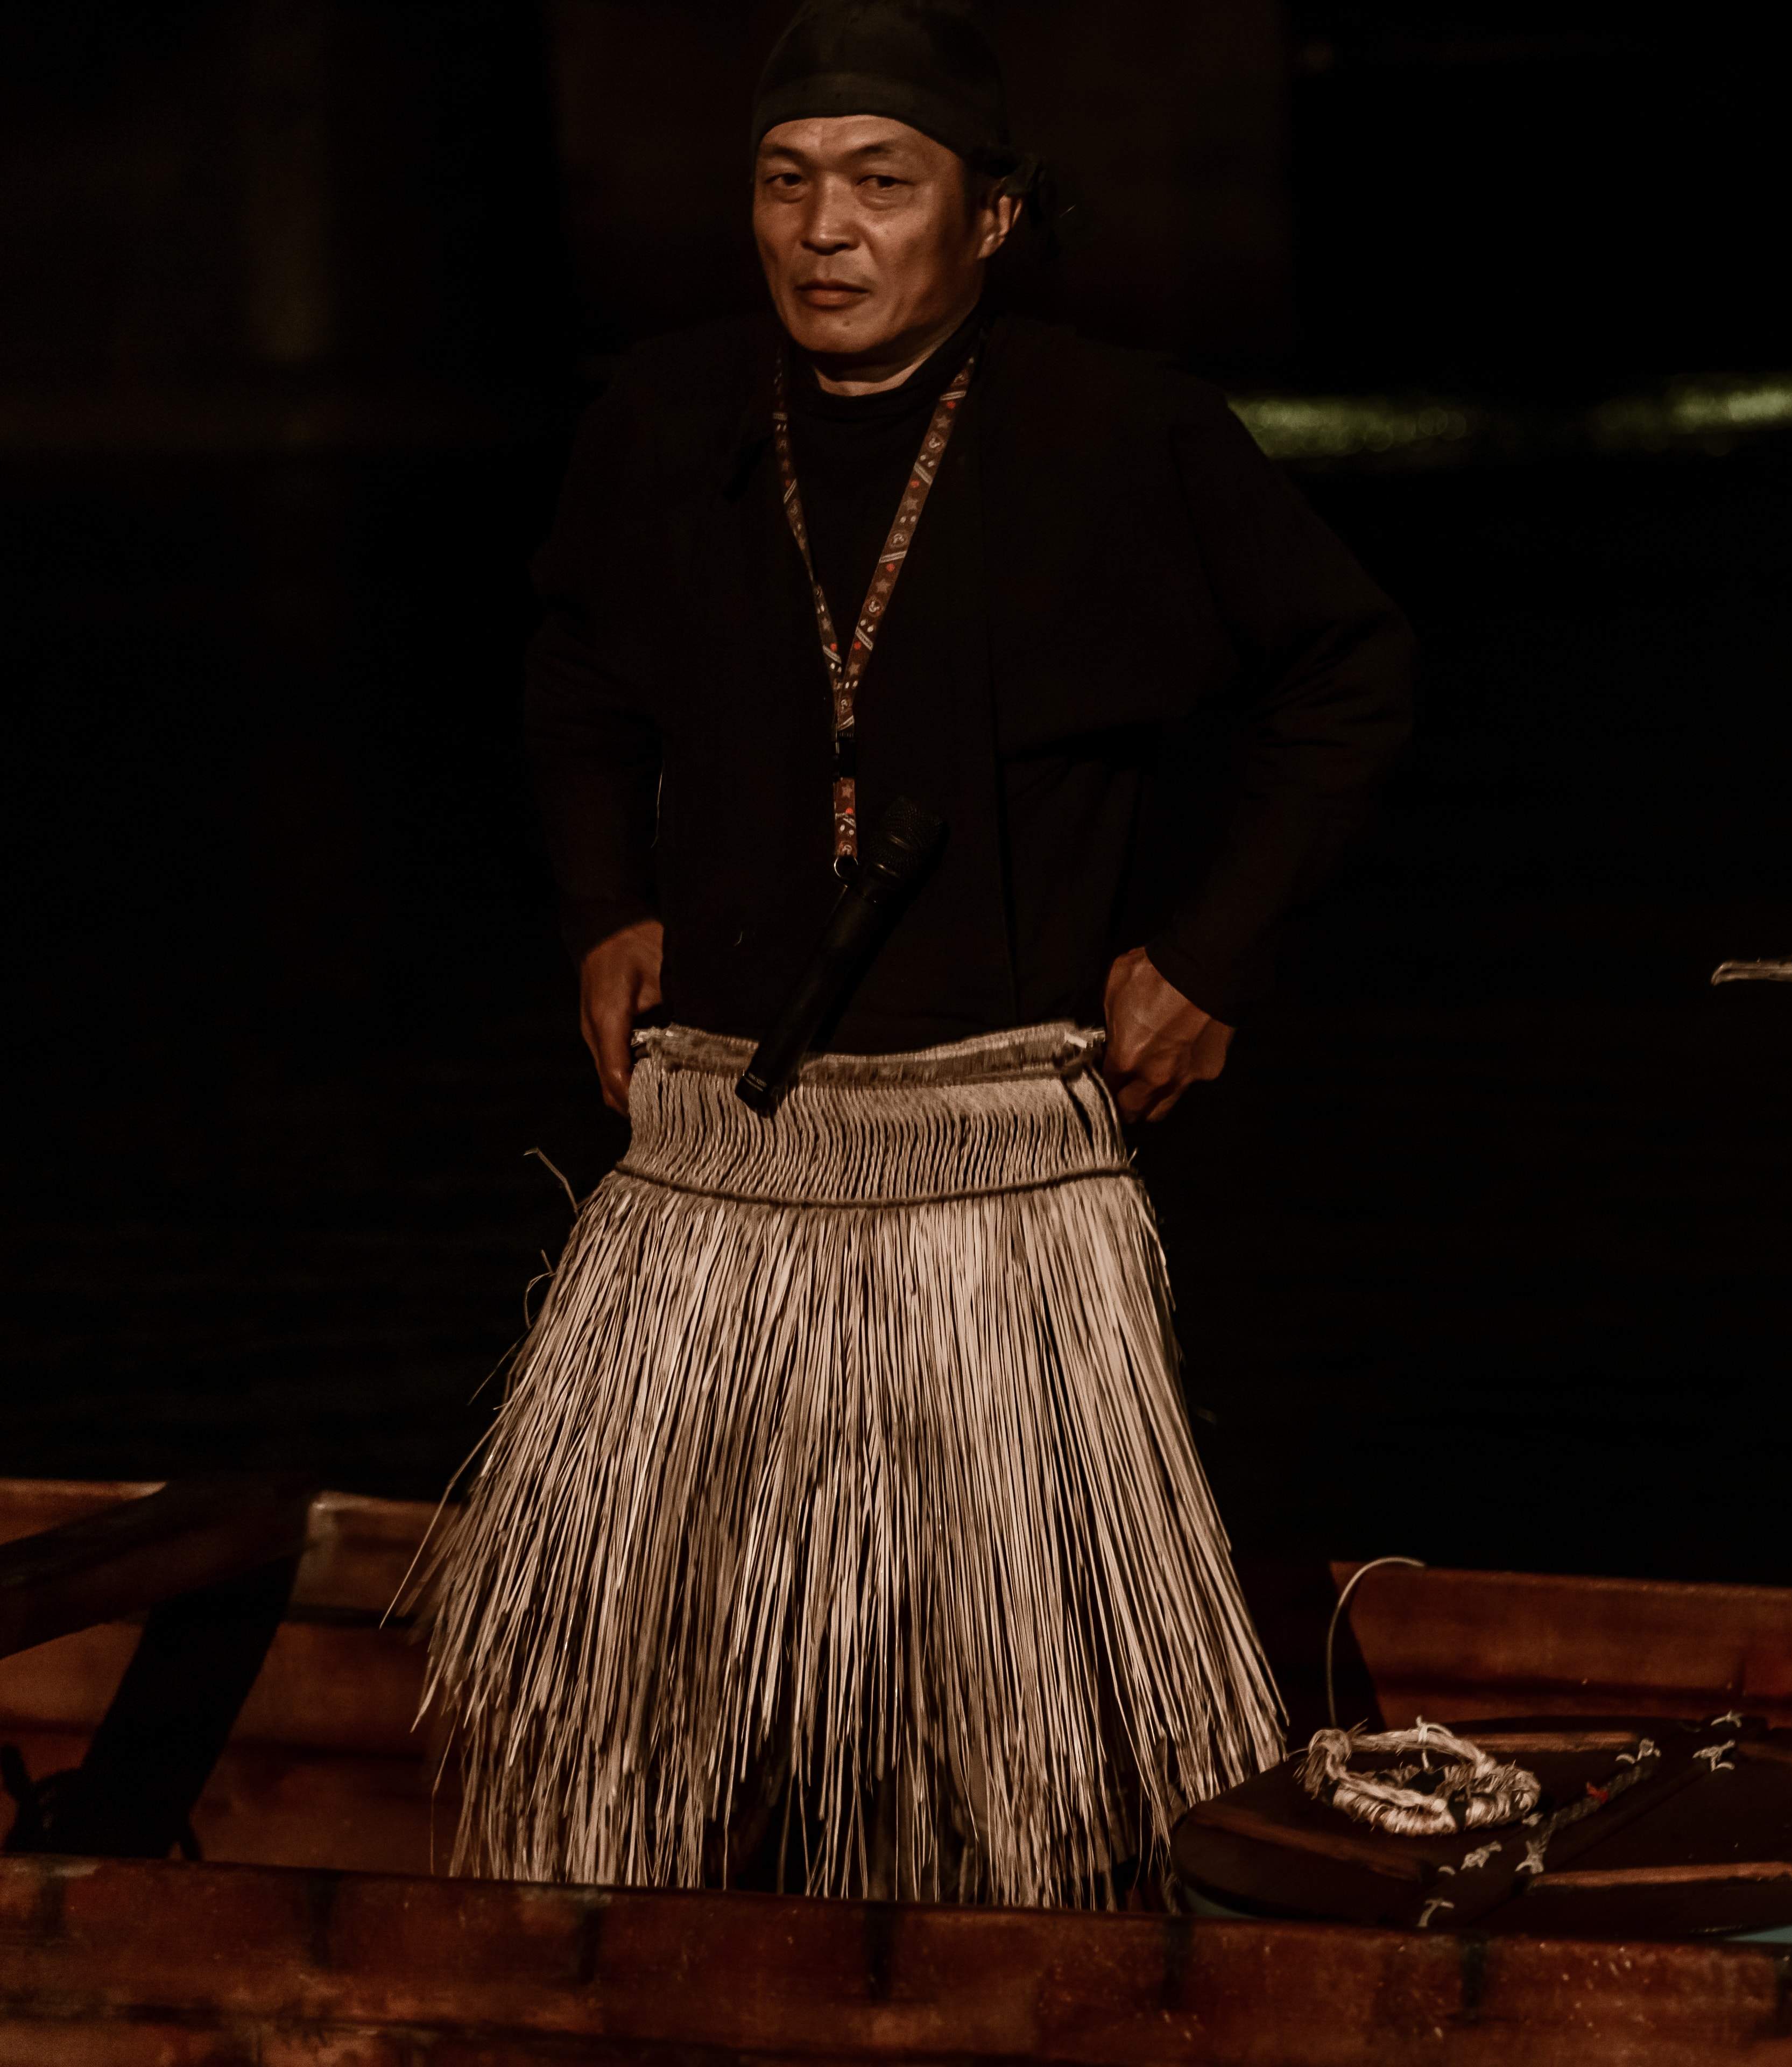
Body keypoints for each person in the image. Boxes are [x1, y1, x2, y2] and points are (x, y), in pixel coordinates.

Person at [421, 0, 1412, 1907]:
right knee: (638, 1743)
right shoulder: (665, 417)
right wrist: (598, 903)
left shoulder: (1129, 432)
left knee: (1021, 1771)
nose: (827, 231)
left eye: (884, 185)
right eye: (788, 185)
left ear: (995, 217)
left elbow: (1353, 673)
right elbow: (569, 675)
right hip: (711, 1169)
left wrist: (1211, 957)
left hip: (999, 1184)